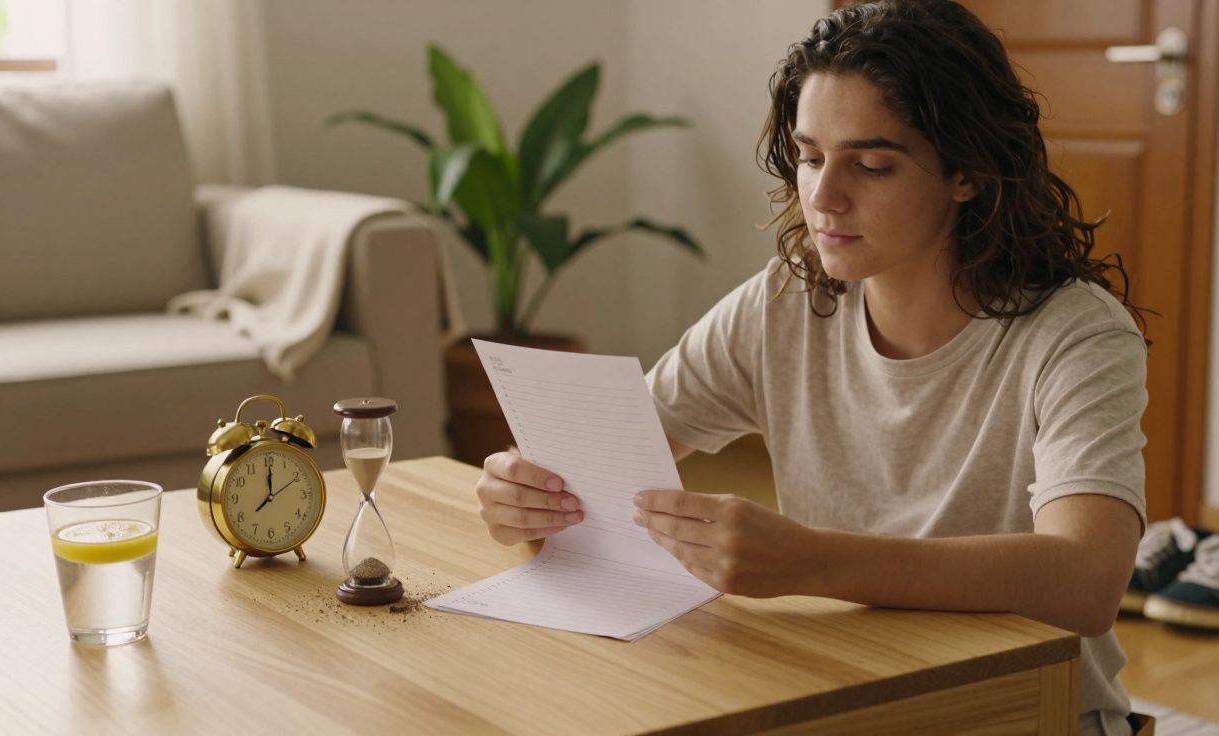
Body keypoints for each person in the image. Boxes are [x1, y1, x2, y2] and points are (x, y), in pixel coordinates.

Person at [474, 1, 1148, 733]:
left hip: (1031, 710)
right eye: (810, 156)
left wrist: (811, 563)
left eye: (871, 164)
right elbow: (601, 464)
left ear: (968, 172)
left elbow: (1087, 580)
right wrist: (530, 493)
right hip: (847, 692)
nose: (824, 197)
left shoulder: (1074, 333)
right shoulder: (784, 305)